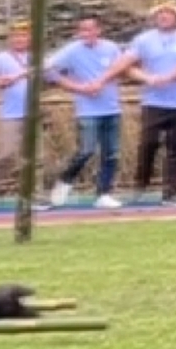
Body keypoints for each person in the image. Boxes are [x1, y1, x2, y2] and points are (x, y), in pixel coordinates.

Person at [91, 0, 176, 206]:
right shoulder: (144, 40)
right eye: (160, 14)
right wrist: (146, 77)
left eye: (169, 14)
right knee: (148, 145)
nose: (164, 17)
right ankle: (140, 187)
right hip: (153, 102)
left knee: (175, 149)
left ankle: (170, 194)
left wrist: (170, 77)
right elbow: (125, 65)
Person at [46, 14, 124, 209]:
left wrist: (103, 81)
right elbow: (48, 70)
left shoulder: (111, 48)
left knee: (111, 153)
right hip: (87, 110)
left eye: (91, 29)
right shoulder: (71, 51)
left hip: (111, 107)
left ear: (99, 30)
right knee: (86, 150)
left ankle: (104, 193)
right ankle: (64, 182)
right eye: (83, 30)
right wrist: (77, 87)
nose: (87, 34)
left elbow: (122, 67)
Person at [0, 20, 50, 210]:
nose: (19, 39)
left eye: (23, 36)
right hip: (10, 113)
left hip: (33, 113)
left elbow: (49, 74)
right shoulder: (1, 58)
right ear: (10, 39)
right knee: (5, 154)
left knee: (36, 157)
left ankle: (36, 195)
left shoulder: (37, 58)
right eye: (16, 36)